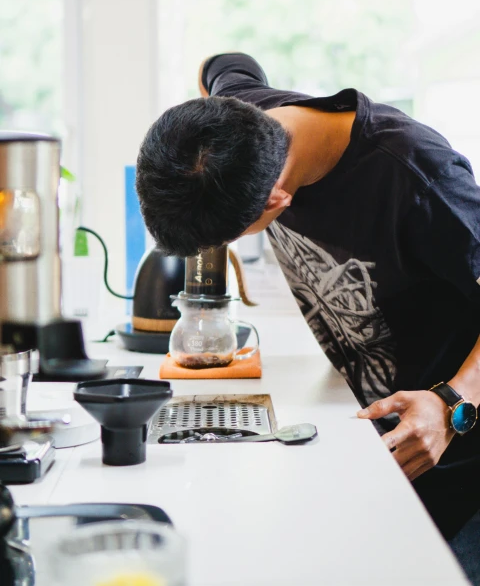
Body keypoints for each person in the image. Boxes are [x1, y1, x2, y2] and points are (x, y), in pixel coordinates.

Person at [136, 52, 480, 582]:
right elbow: (223, 63)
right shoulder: (242, 120)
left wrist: (451, 402)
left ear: (277, 200)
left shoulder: (418, 176)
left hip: (456, 451)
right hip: (379, 438)